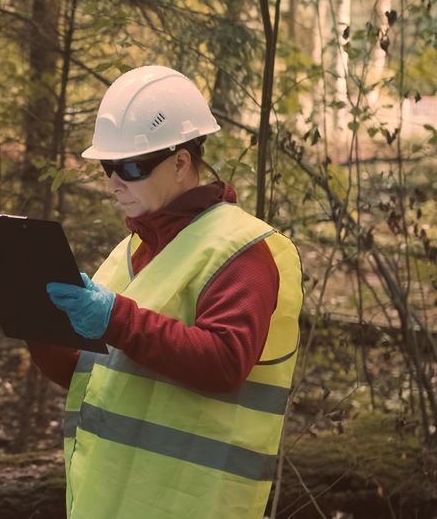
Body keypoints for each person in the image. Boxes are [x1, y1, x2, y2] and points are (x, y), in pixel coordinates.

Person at [31, 65, 303, 518]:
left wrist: (115, 319)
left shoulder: (243, 251)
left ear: (180, 162)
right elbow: (103, 375)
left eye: (131, 166)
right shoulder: (132, 250)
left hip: (193, 504)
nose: (115, 181)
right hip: (109, 499)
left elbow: (224, 362)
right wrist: (39, 327)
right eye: (107, 167)